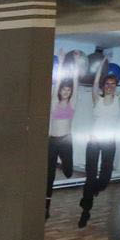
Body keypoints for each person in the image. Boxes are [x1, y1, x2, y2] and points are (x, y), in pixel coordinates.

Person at [76, 62, 120, 228]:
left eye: (113, 84)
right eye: (107, 84)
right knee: (90, 177)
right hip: (94, 141)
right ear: (103, 86)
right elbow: (95, 82)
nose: (110, 86)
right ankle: (85, 211)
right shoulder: (97, 99)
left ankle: (92, 191)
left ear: (116, 86)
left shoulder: (119, 99)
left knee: (105, 178)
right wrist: (102, 64)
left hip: (109, 142)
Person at [45, 76, 77, 211]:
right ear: (59, 91)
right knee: (49, 174)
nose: (66, 92)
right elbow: (57, 84)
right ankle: (46, 204)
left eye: (68, 90)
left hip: (66, 140)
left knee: (68, 172)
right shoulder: (54, 103)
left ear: (71, 92)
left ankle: (64, 164)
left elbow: (76, 87)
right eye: (64, 89)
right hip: (52, 141)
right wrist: (62, 64)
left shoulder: (72, 104)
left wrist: (75, 70)